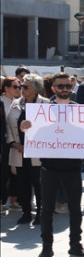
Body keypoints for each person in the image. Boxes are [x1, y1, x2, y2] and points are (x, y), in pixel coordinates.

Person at [18, 73, 84, 257]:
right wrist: (24, 127)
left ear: (72, 87)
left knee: (75, 209)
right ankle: (46, 246)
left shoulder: (80, 111)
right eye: (60, 86)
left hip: (73, 167)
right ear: (53, 88)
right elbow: (27, 130)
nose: (65, 89)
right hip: (49, 167)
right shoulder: (42, 111)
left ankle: (75, 244)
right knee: (46, 209)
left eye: (68, 86)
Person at [8, 74, 48, 225]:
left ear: (36, 90)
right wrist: (14, 143)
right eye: (21, 86)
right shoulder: (16, 103)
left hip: (38, 152)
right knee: (23, 183)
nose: (21, 89)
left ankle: (40, 213)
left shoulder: (45, 104)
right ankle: (26, 212)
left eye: (25, 87)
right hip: (20, 151)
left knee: (39, 184)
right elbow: (9, 125)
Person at [2, 76, 22, 214]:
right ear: (6, 88)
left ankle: (14, 202)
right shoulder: (2, 102)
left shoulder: (19, 102)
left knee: (16, 174)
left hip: (16, 143)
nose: (18, 89)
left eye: (20, 87)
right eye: (15, 87)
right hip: (4, 143)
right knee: (4, 173)